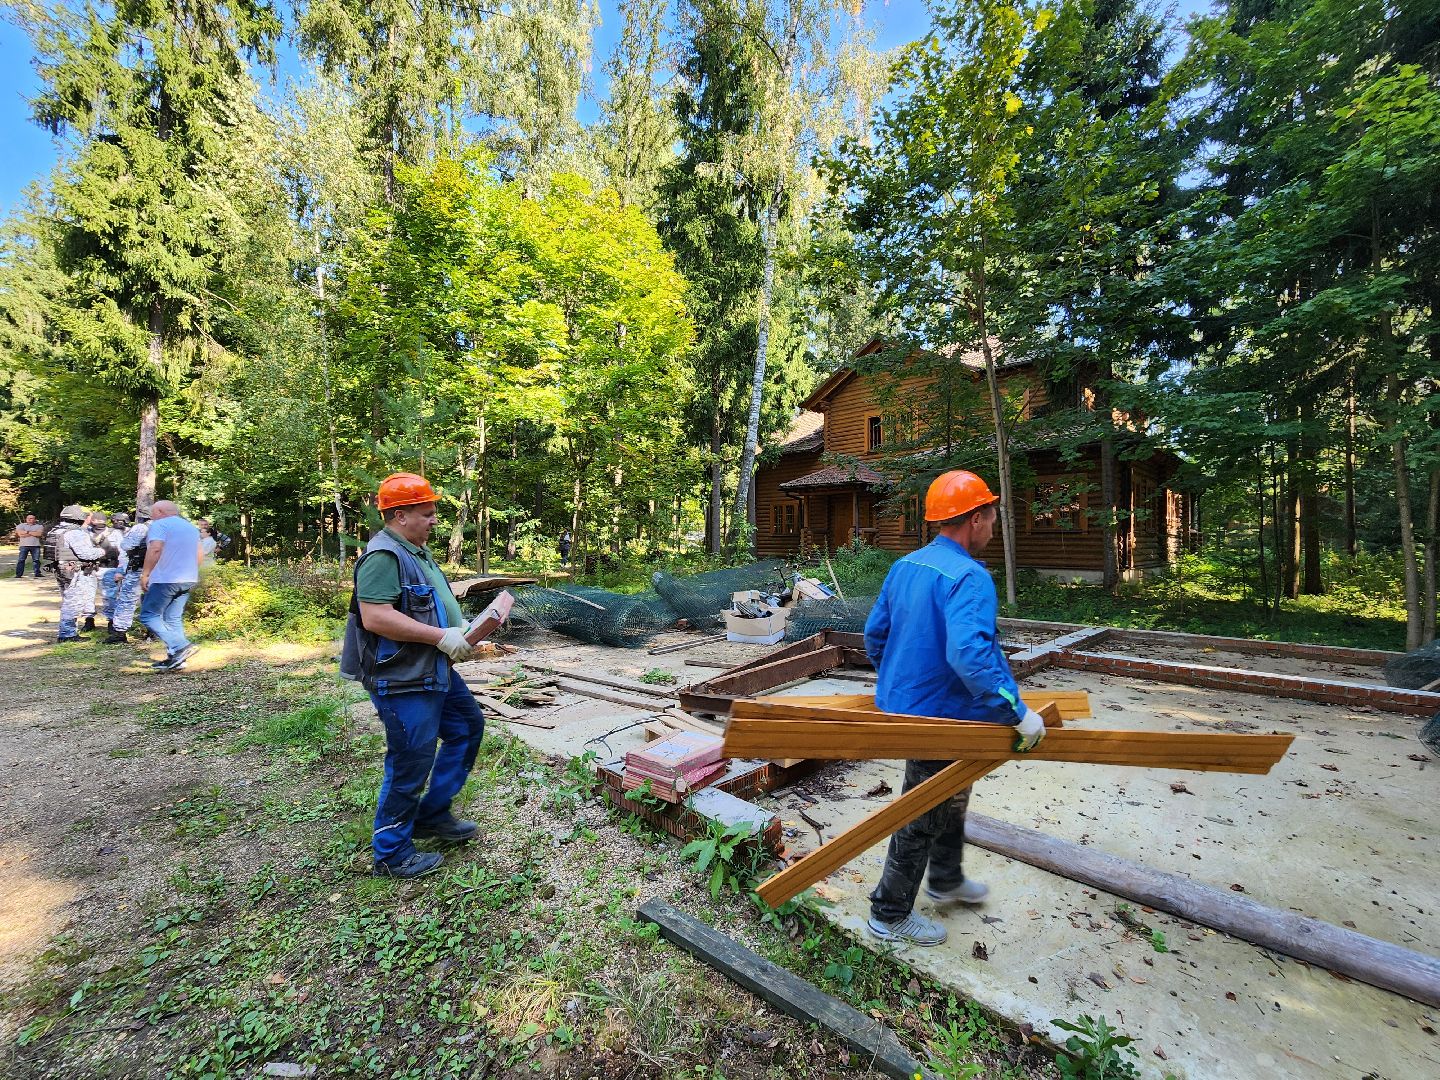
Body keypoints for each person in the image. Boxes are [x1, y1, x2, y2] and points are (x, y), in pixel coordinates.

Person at [862, 470, 1048, 947]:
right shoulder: (970, 576)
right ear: (975, 518)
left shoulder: (906, 566)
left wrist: (899, 683)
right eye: (991, 516)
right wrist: (1017, 712)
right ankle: (889, 913)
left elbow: (875, 635)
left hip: (918, 707)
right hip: (940, 715)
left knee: (951, 791)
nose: (993, 526)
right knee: (923, 806)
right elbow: (971, 655)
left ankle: (945, 878)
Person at [340, 472, 485, 880]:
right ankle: (390, 852)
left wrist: (461, 626)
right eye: (427, 512)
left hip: (432, 668)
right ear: (400, 515)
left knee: (466, 728)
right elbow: (376, 617)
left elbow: (427, 603)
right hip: (403, 678)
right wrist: (442, 636)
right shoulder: (384, 556)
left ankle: (431, 815)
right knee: (410, 760)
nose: (435, 519)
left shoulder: (415, 551)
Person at [138, 500, 203, 671]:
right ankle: (177, 659)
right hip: (188, 578)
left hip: (165, 579)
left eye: (153, 513)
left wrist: (145, 574)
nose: (151, 517)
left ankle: (181, 645)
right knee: (172, 618)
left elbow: (155, 549)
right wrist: (191, 572)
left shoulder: (160, 525)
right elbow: (199, 554)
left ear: (160, 511)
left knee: (148, 615)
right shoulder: (190, 527)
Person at [53, 507, 106, 643]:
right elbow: (86, 554)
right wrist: (101, 551)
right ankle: (67, 634)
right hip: (74, 571)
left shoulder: (56, 530)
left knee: (67, 600)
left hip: (61, 570)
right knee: (72, 603)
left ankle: (67, 632)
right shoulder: (75, 533)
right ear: (79, 518)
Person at [108, 510, 150, 644]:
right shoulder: (169, 527)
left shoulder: (141, 527)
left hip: (140, 569)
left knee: (127, 600)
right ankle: (153, 631)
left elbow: (126, 545)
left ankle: (119, 633)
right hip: (162, 570)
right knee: (154, 600)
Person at [13, 514, 44, 578]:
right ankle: (18, 574)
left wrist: (26, 532)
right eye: (28, 518)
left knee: (36, 560)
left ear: (34, 519)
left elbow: (39, 534)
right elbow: (20, 534)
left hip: (35, 546)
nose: (29, 520)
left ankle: (37, 573)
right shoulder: (21, 525)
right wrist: (33, 533)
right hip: (24, 545)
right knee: (21, 560)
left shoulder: (39, 526)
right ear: (26, 519)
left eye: (31, 518)